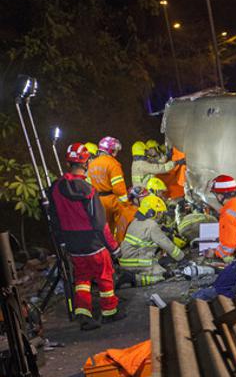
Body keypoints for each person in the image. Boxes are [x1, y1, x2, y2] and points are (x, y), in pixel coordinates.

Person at [48, 143, 123, 330]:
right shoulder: (88, 190)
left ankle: (84, 313)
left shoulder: (55, 188)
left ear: (68, 163)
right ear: (86, 162)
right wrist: (114, 247)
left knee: (82, 279)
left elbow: (54, 218)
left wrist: (62, 241)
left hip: (73, 244)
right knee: (104, 276)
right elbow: (99, 223)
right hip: (93, 243)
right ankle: (109, 312)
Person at [118, 195, 185, 287]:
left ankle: (130, 276)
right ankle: (134, 279)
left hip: (126, 260)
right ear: (151, 212)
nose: (161, 215)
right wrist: (181, 258)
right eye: (159, 213)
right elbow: (166, 244)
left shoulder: (135, 221)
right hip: (136, 261)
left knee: (159, 265)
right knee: (162, 274)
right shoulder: (152, 225)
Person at [87, 136, 128, 232]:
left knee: (102, 228)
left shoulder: (92, 164)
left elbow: (89, 185)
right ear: (109, 150)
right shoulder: (113, 164)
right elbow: (119, 189)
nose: (115, 153)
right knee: (116, 228)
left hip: (96, 201)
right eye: (114, 150)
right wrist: (125, 204)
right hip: (111, 202)